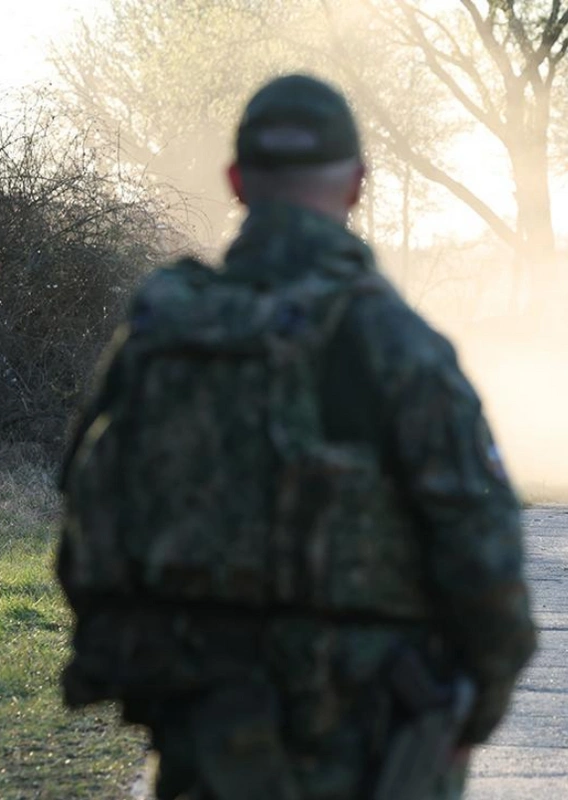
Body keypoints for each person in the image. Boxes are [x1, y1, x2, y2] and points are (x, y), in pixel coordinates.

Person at [57, 73, 536, 800]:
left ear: (236, 181)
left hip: (203, 733)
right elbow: (485, 559)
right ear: (358, 184)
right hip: (363, 740)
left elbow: (87, 524)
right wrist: (480, 703)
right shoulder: (393, 343)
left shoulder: (164, 330)